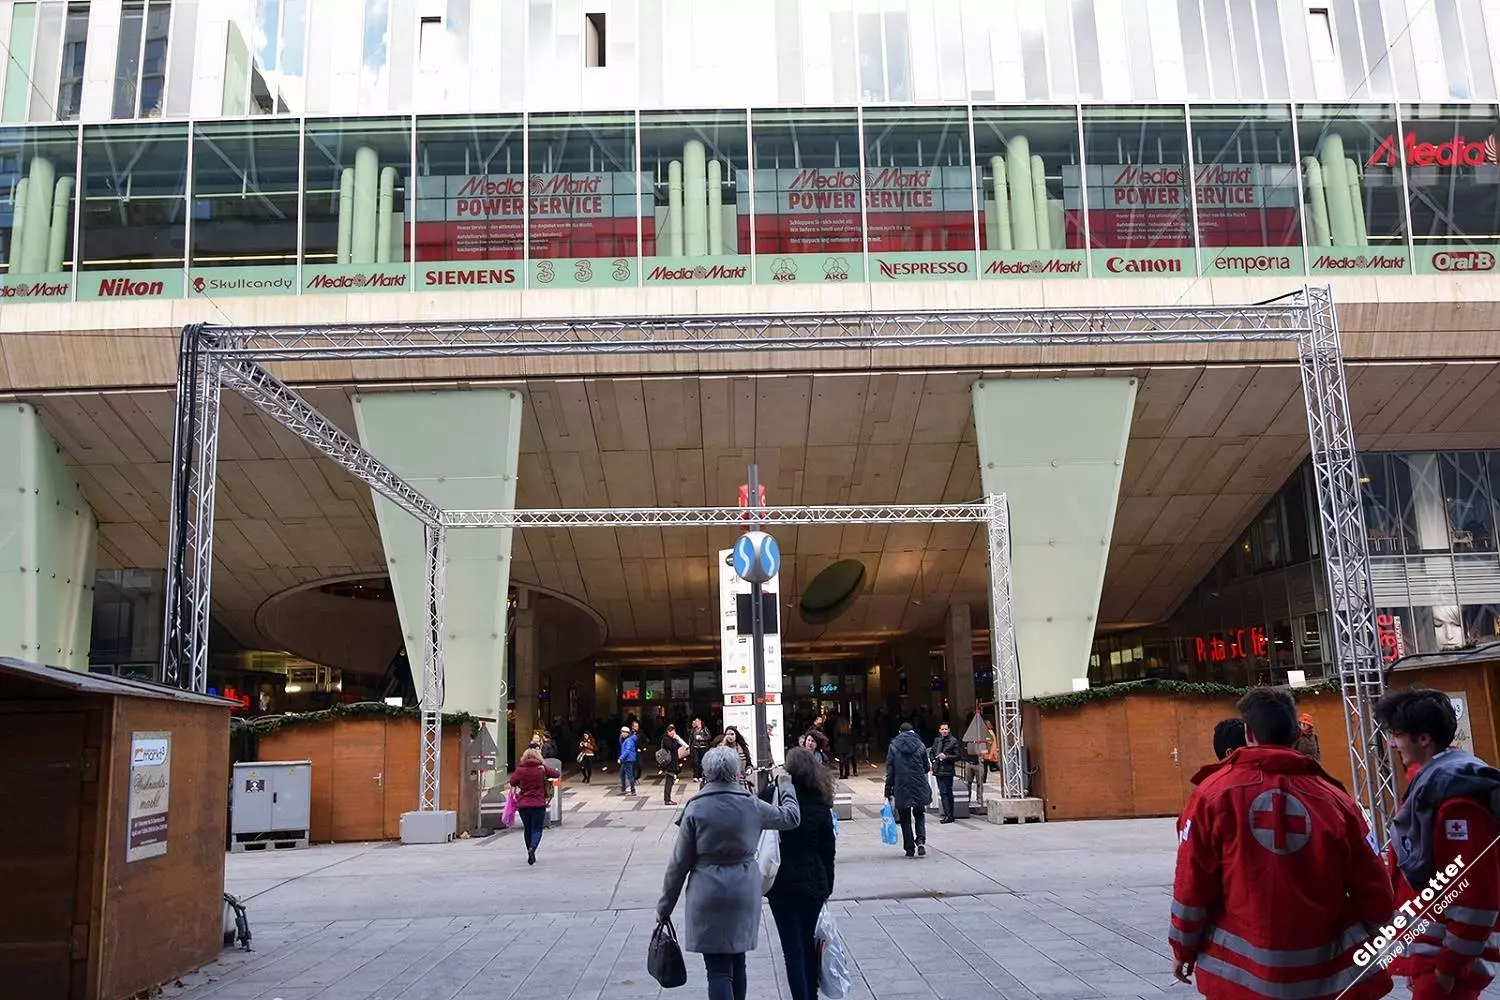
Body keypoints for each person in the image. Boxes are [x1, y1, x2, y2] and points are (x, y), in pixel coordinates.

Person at [1170, 687, 1394, 1000]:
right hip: (1328, 976)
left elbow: (1192, 883)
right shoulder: (1337, 800)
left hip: (1239, 980)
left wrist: (1183, 947)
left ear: (1248, 733)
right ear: (1295, 733)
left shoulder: (1212, 796)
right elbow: (1372, 882)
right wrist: (1381, 936)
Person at [1376, 686, 1500, 1000]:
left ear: (1423, 738)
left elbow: (1474, 896)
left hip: (1448, 965)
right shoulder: (1434, 788)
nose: (1392, 743)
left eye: (1397, 734)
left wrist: (1446, 971)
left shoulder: (1456, 801)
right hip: (1436, 958)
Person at [657, 746, 802, 1000]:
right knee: (738, 961)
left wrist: (664, 907)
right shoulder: (751, 804)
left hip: (707, 892)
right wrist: (787, 787)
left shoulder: (696, 807)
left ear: (707, 773)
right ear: (736, 772)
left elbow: (678, 864)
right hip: (743, 889)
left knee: (718, 971)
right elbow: (791, 818)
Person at [759, 747, 836, 1000]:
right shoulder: (820, 801)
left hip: (781, 883)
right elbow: (828, 849)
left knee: (792, 950)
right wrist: (828, 886)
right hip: (813, 881)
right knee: (809, 943)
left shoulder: (773, 796)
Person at [884, 722, 933, 858]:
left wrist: (887, 790)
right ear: (912, 732)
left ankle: (909, 847)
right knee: (919, 814)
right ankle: (921, 840)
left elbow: (890, 771)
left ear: (900, 733)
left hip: (901, 785)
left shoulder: (893, 746)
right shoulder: (920, 745)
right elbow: (926, 767)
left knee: (905, 818)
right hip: (919, 784)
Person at [509, 747, 560, 866]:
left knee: (527, 829)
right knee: (537, 829)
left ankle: (529, 851)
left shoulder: (520, 770)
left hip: (523, 805)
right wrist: (545, 767)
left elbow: (512, 782)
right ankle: (533, 848)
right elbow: (556, 774)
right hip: (538, 804)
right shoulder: (541, 768)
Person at [930, 722, 962, 824]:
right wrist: (933, 761)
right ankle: (947, 814)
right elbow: (932, 752)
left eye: (946, 729)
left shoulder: (953, 741)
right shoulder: (937, 740)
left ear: (948, 730)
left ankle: (949, 815)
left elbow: (958, 756)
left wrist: (946, 757)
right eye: (942, 729)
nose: (944, 731)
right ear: (939, 730)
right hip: (938, 769)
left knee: (947, 792)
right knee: (943, 792)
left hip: (947, 770)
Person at [661, 724, 689, 805]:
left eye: (674, 731)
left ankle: (667, 798)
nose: (673, 733)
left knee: (670, 780)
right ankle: (667, 799)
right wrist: (674, 739)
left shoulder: (669, 738)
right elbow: (673, 747)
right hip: (669, 763)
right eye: (672, 732)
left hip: (672, 762)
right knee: (669, 781)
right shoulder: (666, 739)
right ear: (668, 732)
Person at [618, 725, 639, 796]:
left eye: (623, 732)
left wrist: (621, 758)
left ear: (627, 733)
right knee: (622, 774)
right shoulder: (626, 740)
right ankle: (623, 789)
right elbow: (622, 745)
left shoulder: (629, 740)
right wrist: (621, 738)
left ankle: (633, 790)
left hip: (628, 760)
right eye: (621, 732)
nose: (622, 734)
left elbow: (627, 751)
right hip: (626, 759)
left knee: (629, 775)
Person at [690, 718, 712, 783]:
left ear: (700, 722)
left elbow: (709, 737)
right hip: (695, 747)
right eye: (695, 721)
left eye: (697, 721)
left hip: (703, 747)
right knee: (696, 761)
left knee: (702, 762)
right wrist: (690, 747)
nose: (696, 722)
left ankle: (701, 776)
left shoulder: (704, 729)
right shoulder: (693, 730)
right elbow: (691, 739)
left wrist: (702, 738)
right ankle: (695, 776)